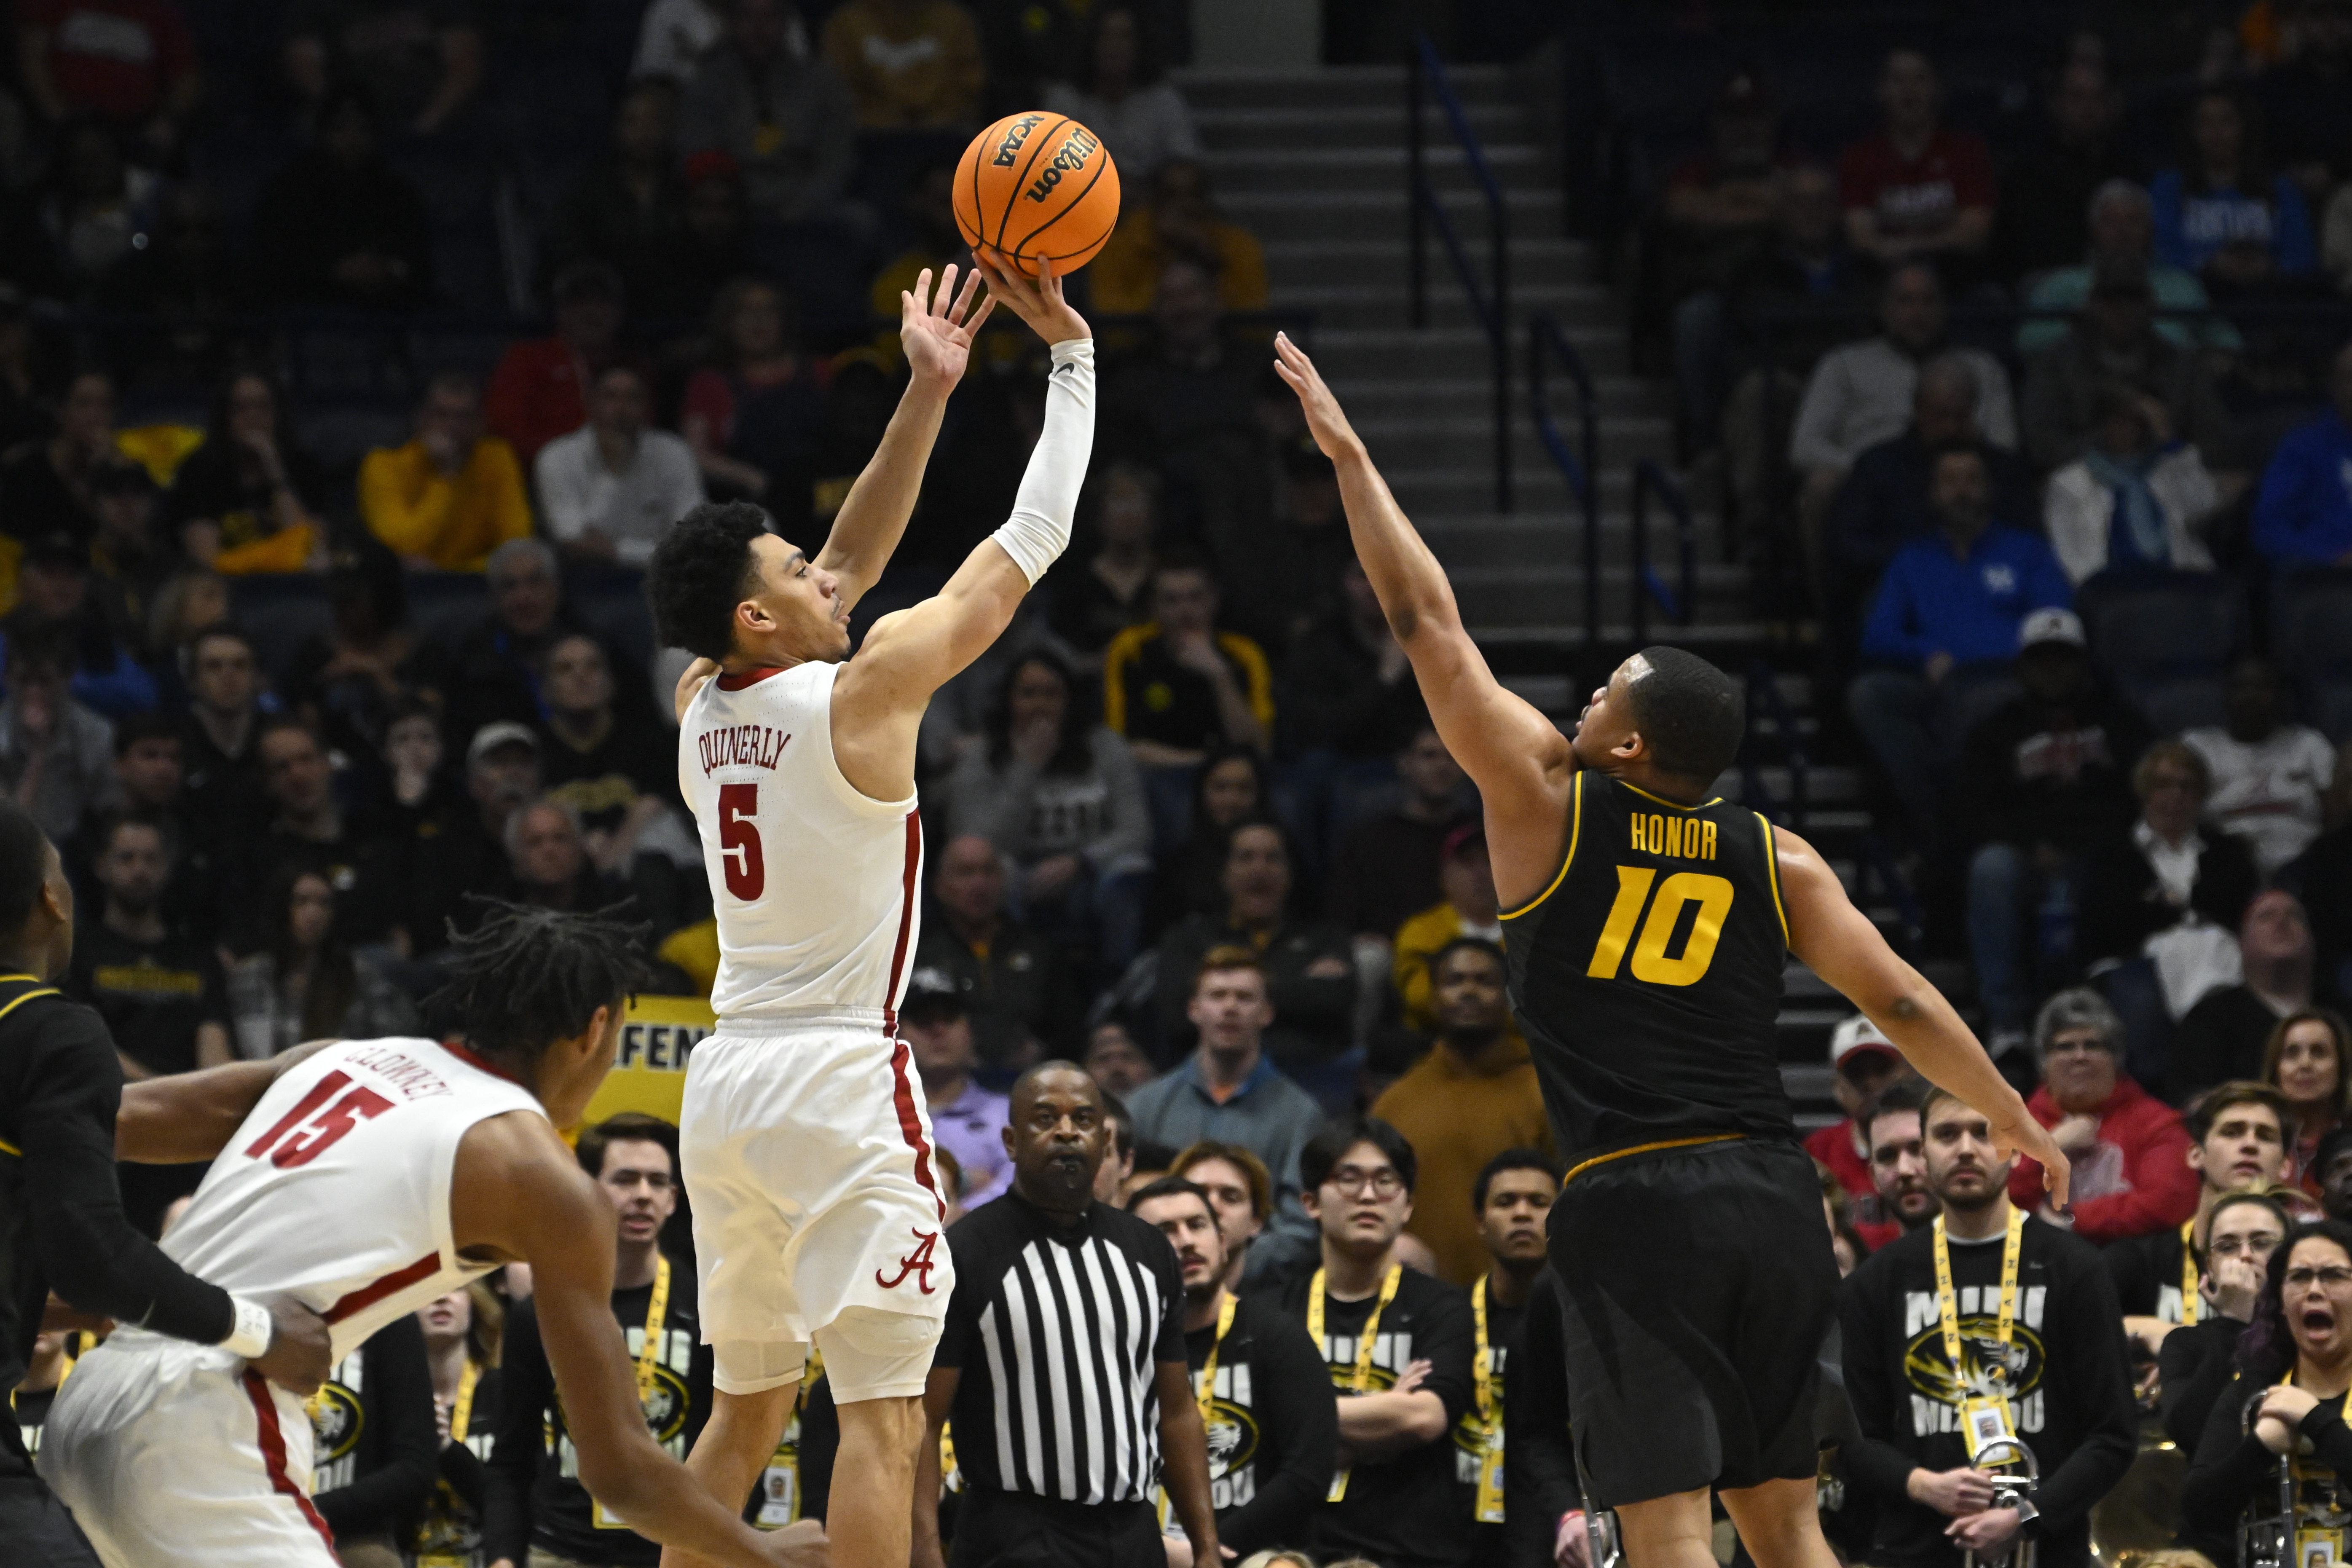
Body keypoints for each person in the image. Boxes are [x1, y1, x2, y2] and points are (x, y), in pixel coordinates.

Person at [1272, 329, 2067, 1568]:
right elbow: (1903, 1003)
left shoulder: (1547, 800)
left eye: (1608, 694)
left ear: (1632, 747)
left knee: (1662, 1527)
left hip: (1633, 1201)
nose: (1586, 700)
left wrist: (1354, 456)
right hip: (1769, 1189)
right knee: (1785, 1515)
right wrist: (2015, 1115)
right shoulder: (1780, 854)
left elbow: (1425, 620)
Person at [649, 256, 1093, 1568]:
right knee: (885, 1422)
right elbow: (1027, 549)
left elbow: (846, 559)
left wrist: (930, 389)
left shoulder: (701, 696)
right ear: (758, 613)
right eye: (795, 569)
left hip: (727, 1088)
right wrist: (1068, 359)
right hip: (842, 1078)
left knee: (741, 1416)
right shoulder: (868, 689)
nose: (825, 573)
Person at [49, 904, 827, 1567]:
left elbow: (102, 1122)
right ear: (594, 1029)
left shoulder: (338, 1059)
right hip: (204, 1421)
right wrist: (761, 1554)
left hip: (87, 1402)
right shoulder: (541, 1174)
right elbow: (618, 1470)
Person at [0, 796, 331, 1565]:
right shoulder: (50, 1026)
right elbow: (91, 1248)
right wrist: (261, 1329)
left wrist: (62, 1306)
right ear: (56, 896)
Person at [912, 1062, 1219, 1568]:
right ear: (1011, 1141)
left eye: (1082, 1119)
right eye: (1045, 1118)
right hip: (1016, 1534)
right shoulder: (965, 1253)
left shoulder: (1147, 1250)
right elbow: (923, 1420)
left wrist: (1206, 1547)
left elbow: (1178, 1411)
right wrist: (924, 1553)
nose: (1066, 1131)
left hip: (1132, 1532)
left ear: (1105, 1141)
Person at [1837, 1085, 2137, 1568]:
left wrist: (2026, 1516)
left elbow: (2113, 1434)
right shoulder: (1879, 1280)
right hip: (1917, 1549)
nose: (1964, 1149)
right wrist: (1923, 1485)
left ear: (2015, 1150)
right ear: (1925, 1152)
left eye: (1983, 1133)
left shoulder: (2075, 1268)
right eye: (1946, 1134)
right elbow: (1852, 1438)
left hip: (2047, 1552)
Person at [487, 1112, 715, 1568]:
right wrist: (502, 1558)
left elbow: (727, 1453)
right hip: (560, 1549)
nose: (643, 1196)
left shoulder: (707, 1308)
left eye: (658, 1182)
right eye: (626, 1180)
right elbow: (511, 1459)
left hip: (674, 1553)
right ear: (587, 1190)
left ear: (674, 1199)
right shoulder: (544, 1310)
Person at [1269, 1118, 1475, 1568]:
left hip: (1412, 1551)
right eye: (1348, 1179)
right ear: (1310, 1203)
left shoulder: (1443, 1307)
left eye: (1386, 1182)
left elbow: (1423, 1417)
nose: (1367, 1196)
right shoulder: (1273, 1311)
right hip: (1300, 1552)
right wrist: (1384, 1415)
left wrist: (1303, 1420)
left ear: (1408, 1206)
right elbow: (1262, 1427)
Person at [1849, 455, 2074, 851]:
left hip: (2012, 680)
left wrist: (1970, 654)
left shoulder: (2027, 552)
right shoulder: (1913, 558)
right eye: (1950, 482)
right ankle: (1931, 818)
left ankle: (1964, 827)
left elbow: (2054, 621)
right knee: (1872, 694)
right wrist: (1926, 652)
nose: (1961, 491)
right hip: (1940, 683)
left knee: (1980, 702)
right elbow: (1878, 634)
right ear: (1933, 494)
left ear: (1989, 490)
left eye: (1972, 479)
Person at [1954, 608, 2148, 1045]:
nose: (2053, 669)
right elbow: (1974, 809)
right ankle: (2006, 1023)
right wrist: (2031, 844)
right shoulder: (1996, 730)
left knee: (2120, 869)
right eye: (2042, 659)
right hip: (2024, 856)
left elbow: (2139, 796)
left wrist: (2083, 848)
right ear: (2022, 667)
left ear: (2082, 663)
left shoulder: (2120, 722)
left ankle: (2096, 1022)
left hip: (2100, 854)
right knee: (1991, 868)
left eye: (2063, 658)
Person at [1129, 1174, 1335, 1558]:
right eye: (1165, 1231)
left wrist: (1207, 1550)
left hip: (1255, 1556)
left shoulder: (1276, 1335)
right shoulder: (1120, 1352)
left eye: (1197, 1225)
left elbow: (1306, 1473)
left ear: (1223, 1243)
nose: (1186, 1240)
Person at [946, 649, 1152, 965]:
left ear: (1069, 700)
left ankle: (1117, 981)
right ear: (1009, 700)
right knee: (991, 874)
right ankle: (1009, 973)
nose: (1040, 705)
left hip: (1088, 870)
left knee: (1130, 869)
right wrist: (1027, 767)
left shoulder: (1106, 748)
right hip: (1018, 873)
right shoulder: (979, 758)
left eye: (1051, 693)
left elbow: (1135, 830)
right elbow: (976, 846)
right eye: (1028, 694)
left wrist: (1080, 861)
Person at [1370, 939, 1555, 1286]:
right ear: (1433, 996)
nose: (1469, 990)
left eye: (1484, 981)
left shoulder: (1544, 1095)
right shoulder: (1396, 1103)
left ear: (1508, 994)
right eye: (1454, 981)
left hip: (1524, 1304)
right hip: (1419, 1311)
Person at [1788, 263, 2017, 539]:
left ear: (1945, 308)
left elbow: (2004, 443)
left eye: (1928, 301)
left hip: (1959, 478)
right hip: (1867, 479)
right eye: (1905, 301)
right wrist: (1869, 470)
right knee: (1820, 485)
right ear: (1884, 309)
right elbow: (1805, 446)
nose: (1917, 312)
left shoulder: (1982, 366)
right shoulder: (1843, 364)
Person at [2180, 1218, 2352, 1556]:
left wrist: (2316, 1420)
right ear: (2281, 1302)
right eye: (2299, 1277)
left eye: (2333, 1275)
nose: (2314, 1290)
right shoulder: (2254, 1392)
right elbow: (2199, 1511)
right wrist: (2260, 1447)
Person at [1824, 356, 2040, 610]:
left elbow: (2030, 539)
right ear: (1918, 410)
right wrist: (1919, 561)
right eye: (1940, 416)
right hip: (1901, 584)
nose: (1950, 428)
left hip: (1989, 582)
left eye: (1959, 417)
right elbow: (1849, 544)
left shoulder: (2003, 469)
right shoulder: (1878, 466)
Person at [1127, 945, 1320, 1220]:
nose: (1230, 1007)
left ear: (1266, 1013)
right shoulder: (1144, 1106)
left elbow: (1298, 1222)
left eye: (1244, 997)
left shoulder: (1299, 1115)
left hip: (1256, 1259)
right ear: (1194, 1009)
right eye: (1217, 996)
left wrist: (1236, 1260)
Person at [1148, 821, 1354, 1069]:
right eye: (1246, 858)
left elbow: (1333, 1003)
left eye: (1273, 858)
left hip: (1305, 1076)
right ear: (1225, 874)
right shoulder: (1188, 939)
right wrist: (1297, 988)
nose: (1260, 868)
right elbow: (1179, 1015)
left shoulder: (1325, 938)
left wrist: (1222, 994)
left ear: (1290, 874)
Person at [2006, 988, 2199, 1243]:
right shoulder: (2015, 1123)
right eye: (2065, 1047)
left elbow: (2168, 1203)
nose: (2080, 1056)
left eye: (2093, 1045)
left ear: (2116, 1059)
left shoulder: (2157, 1123)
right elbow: (1996, 1199)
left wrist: (2071, 1220)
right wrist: (2051, 1146)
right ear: (2044, 1062)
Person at [2019, 256, 2239, 478]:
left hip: (2169, 481)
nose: (2122, 310)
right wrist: (2106, 442)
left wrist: (2159, 445)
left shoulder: (2181, 364)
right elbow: (2042, 446)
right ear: (2092, 305)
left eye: (2133, 299)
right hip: (2084, 486)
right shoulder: (2057, 364)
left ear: (2152, 304)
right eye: (2111, 299)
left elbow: (2217, 443)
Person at [2105, 1082, 2295, 1336]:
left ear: (2285, 1167)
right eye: (2232, 1132)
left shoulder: (2304, 1262)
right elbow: (2076, 1333)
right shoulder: (2138, 1262)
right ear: (2196, 1155)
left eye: (2265, 1136)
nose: (2250, 1144)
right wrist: (2143, 1330)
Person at [2076, 740, 2261, 978]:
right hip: (2136, 965)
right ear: (2145, 791)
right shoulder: (2112, 855)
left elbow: (2239, 918)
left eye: (2187, 787)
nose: (2176, 795)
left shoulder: (2227, 853)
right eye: (2163, 785)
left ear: (2201, 796)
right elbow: (2105, 927)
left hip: (2217, 960)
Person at [67, 810, 229, 1081]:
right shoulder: (77, 953)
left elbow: (215, 1051)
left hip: (191, 1108)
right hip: (111, 1104)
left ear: (167, 869)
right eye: (126, 858)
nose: (140, 870)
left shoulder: (198, 958)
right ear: (101, 866)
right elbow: (88, 1048)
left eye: (151, 859)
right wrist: (162, 1095)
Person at [1460, 1150, 1564, 1560]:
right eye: (1505, 1202)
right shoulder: (1446, 1319)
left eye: (1539, 1203)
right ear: (1480, 1221)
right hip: (1461, 1513)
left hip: (1556, 1509)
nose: (1522, 1213)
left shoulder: (1586, 1325)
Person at [249, 84, 433, 311]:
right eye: (340, 128)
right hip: (309, 309)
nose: (352, 138)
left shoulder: (396, 191)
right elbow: (274, 260)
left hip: (384, 310)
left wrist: (387, 270)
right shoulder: (289, 188)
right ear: (322, 133)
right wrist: (333, 270)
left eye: (362, 129)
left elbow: (417, 258)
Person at [676, 0, 857, 223]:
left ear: (786, 22)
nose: (758, 27)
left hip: (807, 207)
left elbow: (836, 163)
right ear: (731, 22)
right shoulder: (706, 85)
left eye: (769, 17)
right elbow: (700, 160)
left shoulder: (823, 85)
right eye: (747, 16)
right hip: (730, 213)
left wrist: (798, 209)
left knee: (859, 223)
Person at [908, 834, 1077, 1069]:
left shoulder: (1039, 950)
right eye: (966, 873)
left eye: (989, 872)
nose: (979, 884)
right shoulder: (916, 954)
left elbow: (1070, 1028)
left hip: (1028, 1080)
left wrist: (1042, 1050)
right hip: (943, 1083)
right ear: (940, 886)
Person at [2016, 179, 2237, 356]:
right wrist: (2083, 324)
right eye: (2110, 222)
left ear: (2150, 230)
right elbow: (2027, 342)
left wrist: (2218, 358)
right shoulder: (2062, 284)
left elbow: (2227, 340)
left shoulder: (2181, 284)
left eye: (2133, 221)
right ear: (2093, 231)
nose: (2122, 231)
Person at [225, 867, 421, 1062]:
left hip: (341, 1081)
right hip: (268, 1084)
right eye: (301, 902)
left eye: (324, 904)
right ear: (282, 907)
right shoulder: (252, 975)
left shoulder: (357, 972)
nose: (314, 913)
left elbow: (399, 1039)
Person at [2040, 381, 2225, 583]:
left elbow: (2206, 501)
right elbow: (2067, 552)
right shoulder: (2069, 482)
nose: (2127, 430)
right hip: (2109, 590)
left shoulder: (2167, 469)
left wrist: (2169, 440)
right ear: (2101, 425)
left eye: (2136, 422)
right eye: (2117, 421)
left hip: (2178, 582)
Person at [681, 278, 831, 525]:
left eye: (768, 311)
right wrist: (752, 479)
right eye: (746, 312)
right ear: (728, 322)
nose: (758, 321)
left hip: (823, 503)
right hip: (751, 508)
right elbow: (696, 454)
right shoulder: (709, 384)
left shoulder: (820, 372)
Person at [1102, 557, 1274, 768]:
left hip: (1225, 779)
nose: (1185, 611)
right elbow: (1117, 748)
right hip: (1155, 774)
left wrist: (1220, 675)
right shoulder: (1130, 650)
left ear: (1214, 600)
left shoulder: (1244, 654)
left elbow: (1257, 749)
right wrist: (1203, 762)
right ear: (1154, 606)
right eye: (1171, 600)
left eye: (1195, 598)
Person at [2155, 1189, 2292, 1452]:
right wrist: (2236, 1320)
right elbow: (2190, 1434)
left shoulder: (2312, 1332)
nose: (2244, 1256)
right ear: (2210, 1268)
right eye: (2227, 1247)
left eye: (2262, 1243)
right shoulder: (2185, 1343)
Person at [1837, 48, 1996, 275]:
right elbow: (1860, 236)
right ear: (1881, 90)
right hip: (1881, 278)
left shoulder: (1968, 152)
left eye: (1919, 79)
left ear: (1937, 88)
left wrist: (1907, 248)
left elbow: (1974, 231)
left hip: (1956, 276)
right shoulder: (1860, 157)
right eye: (1897, 79)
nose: (1908, 90)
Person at [361, 373, 534, 574]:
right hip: (408, 585)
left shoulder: (497, 457)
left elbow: (517, 545)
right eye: (442, 415)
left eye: (463, 417)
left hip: (478, 582)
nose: (452, 426)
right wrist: (445, 478)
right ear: (422, 418)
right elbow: (401, 543)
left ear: (480, 422)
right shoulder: (383, 463)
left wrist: (452, 571)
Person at [538, 366, 708, 569]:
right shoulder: (558, 457)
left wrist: (615, 550)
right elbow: (573, 539)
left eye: (632, 398)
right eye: (611, 397)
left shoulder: (673, 453)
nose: (621, 408)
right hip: (587, 576)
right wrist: (614, 470)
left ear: (646, 406)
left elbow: (692, 539)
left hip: (663, 575)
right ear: (591, 403)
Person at [2183, 657, 2337, 879]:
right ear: (2224, 695)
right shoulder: (2197, 748)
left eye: (2262, 687)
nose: (2251, 696)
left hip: (2306, 868)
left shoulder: (2310, 745)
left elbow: (2337, 818)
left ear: (2281, 696)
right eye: (2241, 687)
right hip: (2224, 871)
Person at [2150, 89, 2318, 291]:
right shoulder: (2168, 189)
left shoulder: (2281, 190)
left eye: (2226, 121)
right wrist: (2208, 265)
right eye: (2205, 123)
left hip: (2270, 299)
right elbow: (2161, 253)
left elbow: (2302, 256)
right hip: (2194, 299)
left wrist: (2270, 268)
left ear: (2245, 128)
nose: (2216, 132)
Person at [167, 370, 329, 576]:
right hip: (229, 594)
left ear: (278, 414)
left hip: (293, 591)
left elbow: (311, 550)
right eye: (241, 408)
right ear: (225, 417)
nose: (253, 417)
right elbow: (209, 562)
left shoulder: (304, 467)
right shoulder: (198, 471)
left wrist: (276, 472)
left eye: (263, 407)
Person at [1991, 62, 2137, 287]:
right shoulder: (2027, 173)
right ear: (2055, 104)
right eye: (2077, 97)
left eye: (2098, 97)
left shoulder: (2131, 170)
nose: (2088, 107)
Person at [308, 1313, 439, 1565]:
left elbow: (415, 1469)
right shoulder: (258, 1304)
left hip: (355, 1535)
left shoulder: (392, 1318)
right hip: (257, 1525)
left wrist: (308, 1511)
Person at [1326, 725, 1473, 946]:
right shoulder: (1367, 839)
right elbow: (1343, 916)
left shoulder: (1481, 836)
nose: (1443, 766)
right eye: (1429, 756)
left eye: (1453, 756)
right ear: (1405, 762)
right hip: (1388, 950)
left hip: (1469, 946)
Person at [2170, 892, 2323, 1101]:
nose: (2281, 923)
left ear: (2312, 940)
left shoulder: (2341, 1014)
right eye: (2266, 917)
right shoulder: (2209, 1019)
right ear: (2241, 942)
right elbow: (2194, 1100)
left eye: (2295, 916)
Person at [487, 261, 635, 473]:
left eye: (602, 302)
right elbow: (507, 430)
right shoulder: (526, 359)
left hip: (625, 474)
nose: (591, 312)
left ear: (619, 313)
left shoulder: (633, 367)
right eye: (579, 302)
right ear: (560, 312)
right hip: (544, 476)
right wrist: (570, 460)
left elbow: (642, 428)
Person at [1090, 159, 1268, 318]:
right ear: (1153, 201)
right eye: (1171, 195)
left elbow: (1253, 321)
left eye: (1193, 194)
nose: (1183, 205)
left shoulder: (1238, 245)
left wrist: (1208, 256)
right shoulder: (1117, 247)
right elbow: (1113, 326)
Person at [1042, 5, 1198, 183]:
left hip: (1148, 202)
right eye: (1106, 36)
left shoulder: (1163, 100)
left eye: (1125, 36)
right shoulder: (1065, 100)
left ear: (1140, 44)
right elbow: (1047, 169)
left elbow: (1186, 163)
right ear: (1092, 43)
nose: (1115, 46)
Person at [411, 1282, 504, 1568]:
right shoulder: (388, 1400)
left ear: (474, 1304)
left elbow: (517, 1503)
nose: (440, 1297)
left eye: (455, 1288)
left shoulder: (507, 1392)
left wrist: (447, 1448)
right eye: (424, 1291)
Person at [899, 985, 1012, 1209]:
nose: (938, 1030)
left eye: (949, 1018)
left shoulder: (1006, 1113)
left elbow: (1018, 1180)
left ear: (970, 1031)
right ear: (899, 1033)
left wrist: (964, 1213)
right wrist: (965, 1180)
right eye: (923, 1020)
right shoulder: (877, 1115)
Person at [2254, 340, 2352, 568]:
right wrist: (2331, 559)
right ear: (2335, 386)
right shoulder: (2303, 448)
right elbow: (2269, 530)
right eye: (2351, 377)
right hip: (2327, 583)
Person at [1804, 1016, 1909, 1219]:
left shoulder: (1930, 1142)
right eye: (1856, 1073)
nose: (1871, 1083)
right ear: (1838, 1086)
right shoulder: (1818, 1152)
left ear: (1906, 1073)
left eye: (1882, 1069)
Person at [820, 0, 982, 129]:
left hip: (946, 136)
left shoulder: (954, 21)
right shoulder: (847, 24)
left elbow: (970, 87)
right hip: (868, 140)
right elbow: (837, 92)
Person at [1174, 1139, 1279, 1292]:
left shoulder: (1281, 1310)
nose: (1212, 1207)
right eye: (1197, 1194)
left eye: (1231, 1198)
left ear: (1257, 1221)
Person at [2269, 1010, 2352, 1188]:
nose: (2305, 1064)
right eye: (2292, 1054)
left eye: (2319, 1053)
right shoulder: (2257, 1138)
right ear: (2276, 1069)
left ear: (2342, 1067)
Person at [1859, 1077, 1939, 1248]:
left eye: (1918, 1149)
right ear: (1873, 1175)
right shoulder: (1868, 1269)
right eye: (1888, 1156)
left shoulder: (2007, 1255)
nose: (1904, 1170)